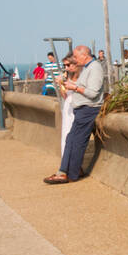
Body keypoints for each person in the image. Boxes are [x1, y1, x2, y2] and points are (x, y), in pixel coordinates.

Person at [44, 46, 105, 185]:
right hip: (83, 108)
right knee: (72, 139)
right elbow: (86, 87)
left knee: (76, 141)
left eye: (76, 58)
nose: (75, 61)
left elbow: (93, 93)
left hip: (88, 109)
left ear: (85, 56)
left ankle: (69, 173)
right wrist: (70, 84)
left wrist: (74, 87)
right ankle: (66, 171)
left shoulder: (94, 68)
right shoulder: (89, 67)